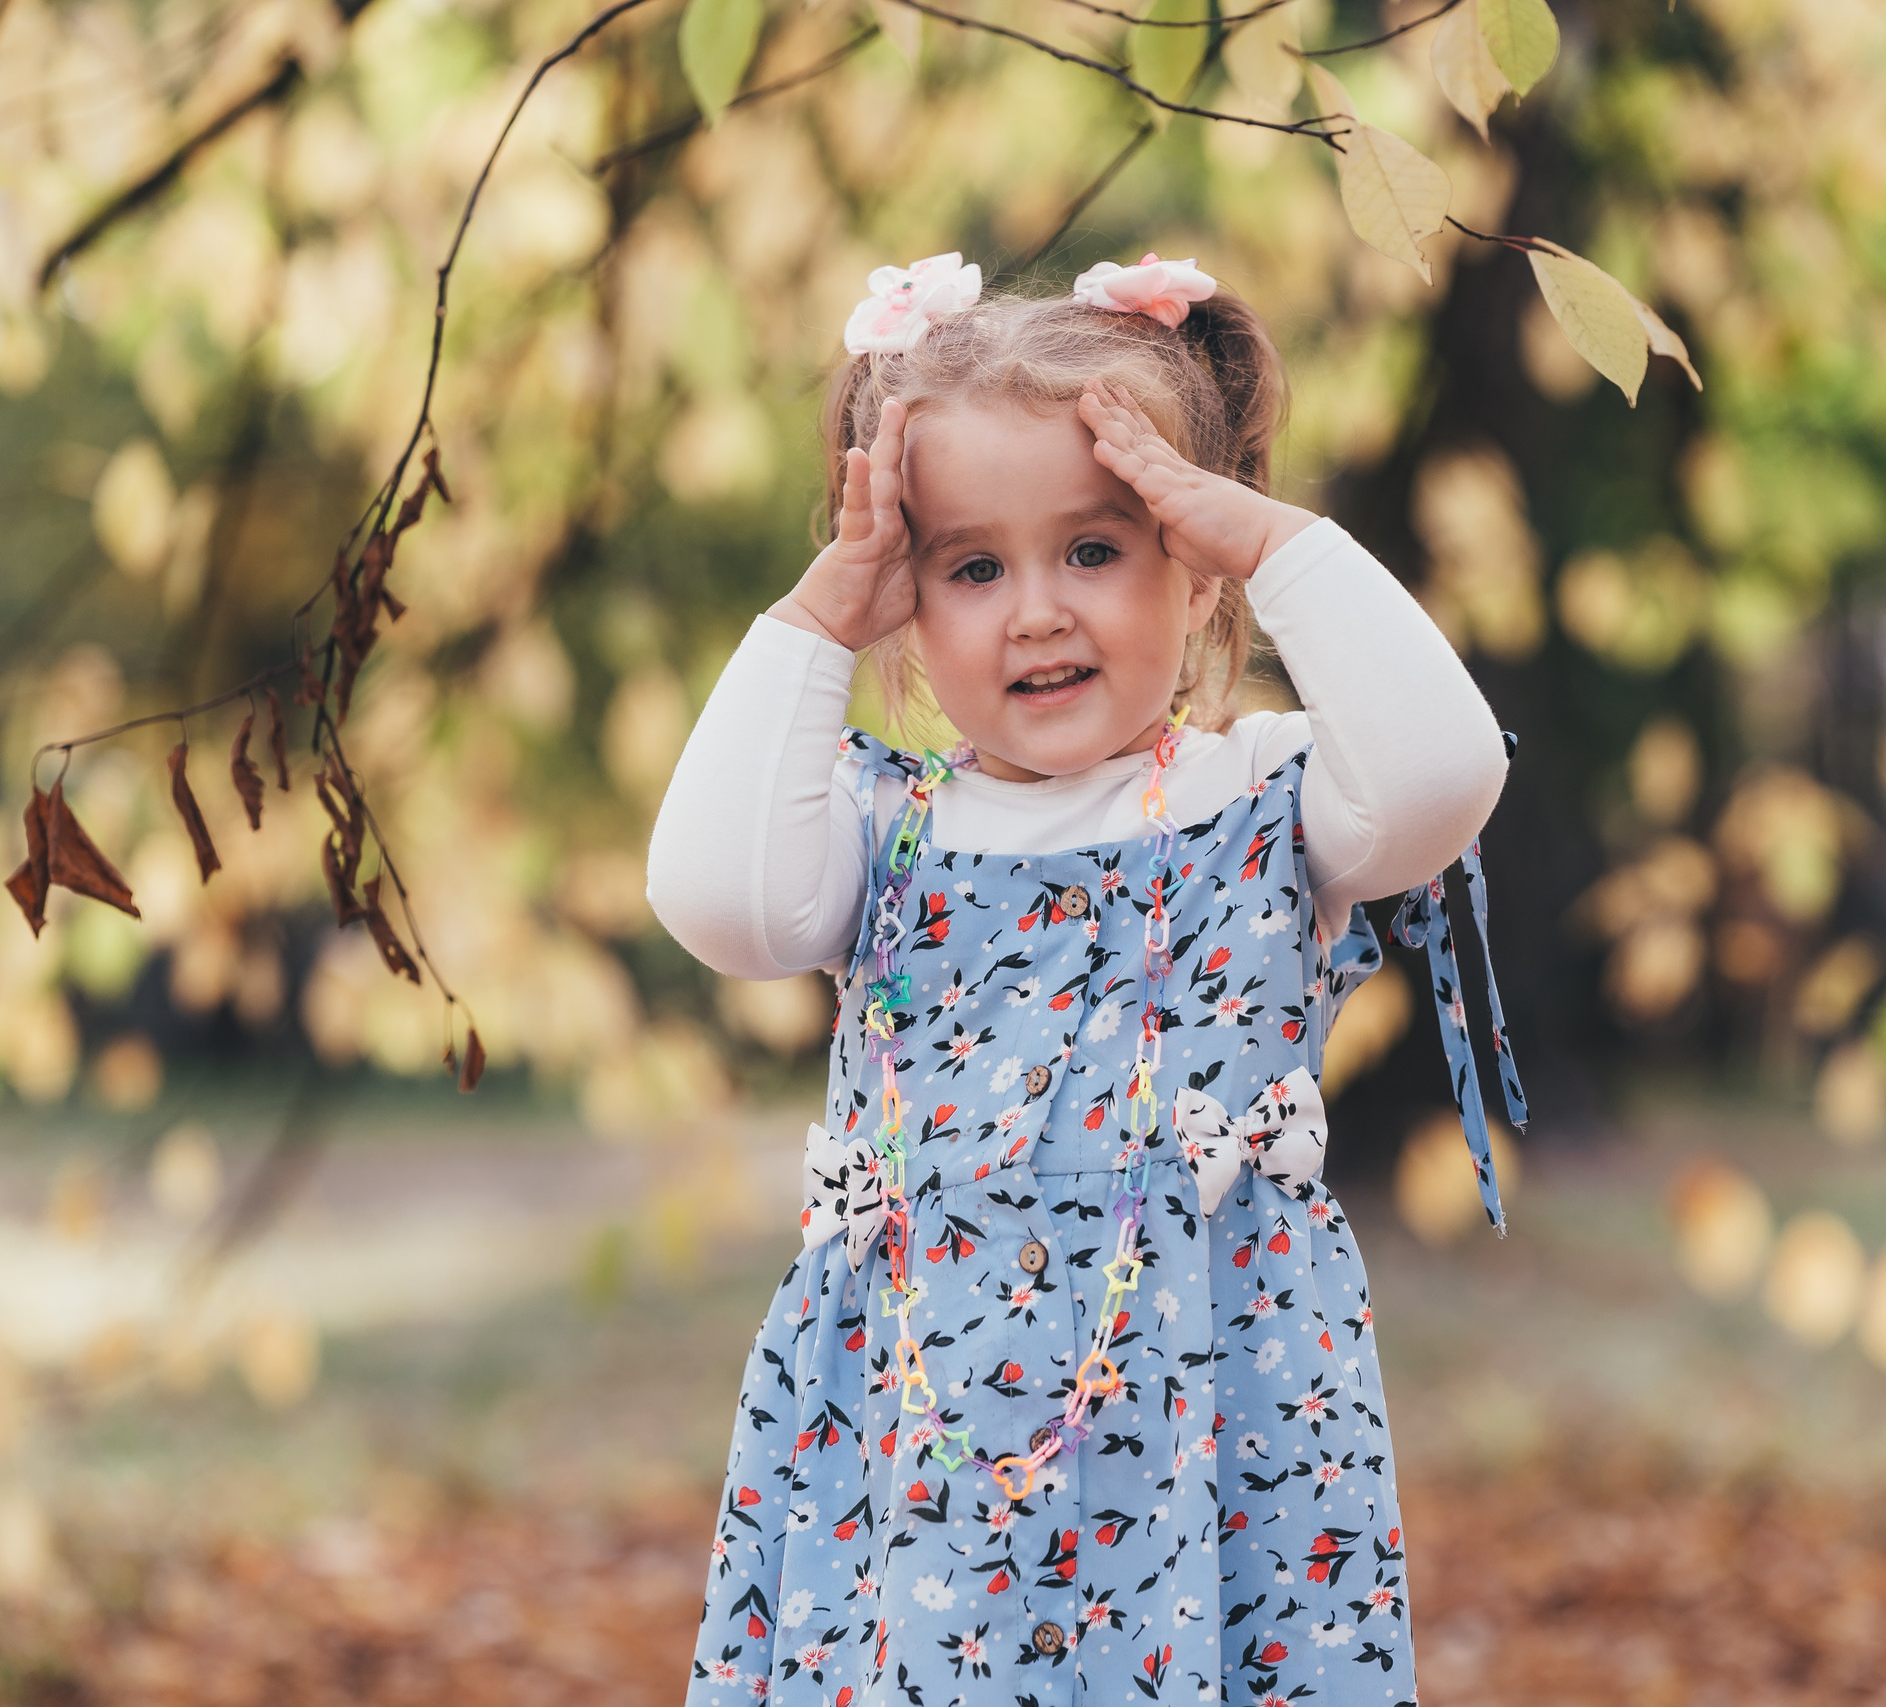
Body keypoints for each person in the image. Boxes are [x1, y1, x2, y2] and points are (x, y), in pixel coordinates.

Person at [649, 248, 1526, 1705]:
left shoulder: (1265, 796)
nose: (1038, 611)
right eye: (972, 568)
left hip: (1216, 1404)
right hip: (921, 1436)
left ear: (1192, 572)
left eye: (1100, 549)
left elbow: (1449, 771)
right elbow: (717, 902)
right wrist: (813, 623)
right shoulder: (881, 832)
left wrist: (1264, 537)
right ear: (906, 605)